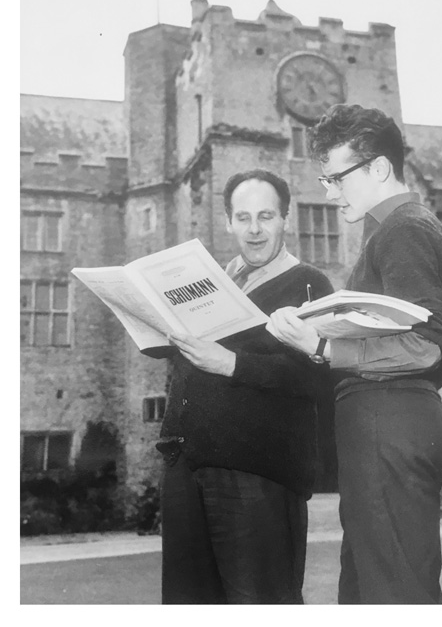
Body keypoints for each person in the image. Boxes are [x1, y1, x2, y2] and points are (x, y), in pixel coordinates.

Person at [268, 104, 442, 603]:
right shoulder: (397, 228)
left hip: (389, 420)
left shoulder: (403, 229)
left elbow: (423, 346)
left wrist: (317, 344)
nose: (328, 192)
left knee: (395, 592)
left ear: (378, 168)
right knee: (370, 590)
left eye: (336, 178)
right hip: (385, 423)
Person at [153, 169, 334, 603]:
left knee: (262, 603)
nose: (254, 230)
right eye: (243, 217)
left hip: (257, 476)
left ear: (285, 219)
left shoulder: (309, 284)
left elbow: (316, 377)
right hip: (185, 465)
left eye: (266, 216)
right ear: (229, 221)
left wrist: (231, 363)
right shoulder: (208, 282)